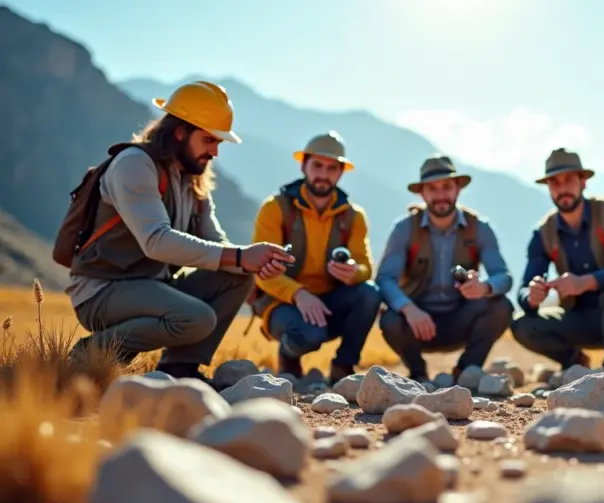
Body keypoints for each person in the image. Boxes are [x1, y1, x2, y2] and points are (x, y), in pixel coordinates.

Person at [62, 80, 294, 382]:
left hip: (152, 285)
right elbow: (156, 241)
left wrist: (251, 261)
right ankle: (89, 355)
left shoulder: (193, 179)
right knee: (196, 318)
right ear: (180, 131)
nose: (215, 153)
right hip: (102, 292)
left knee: (238, 275)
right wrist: (239, 255)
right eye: (209, 140)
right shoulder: (134, 165)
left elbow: (215, 242)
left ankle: (179, 370)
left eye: (218, 143)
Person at [248, 131, 382, 382]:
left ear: (341, 172)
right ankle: (289, 355)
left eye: (332, 168)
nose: (324, 174)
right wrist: (299, 294)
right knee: (309, 336)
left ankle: (344, 367)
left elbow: (366, 267)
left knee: (370, 292)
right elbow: (261, 270)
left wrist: (355, 272)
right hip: (282, 302)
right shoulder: (275, 208)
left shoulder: (354, 216)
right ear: (303, 165)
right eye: (317, 165)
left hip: (330, 302)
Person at [376, 155, 514, 383]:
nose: (440, 195)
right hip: (416, 324)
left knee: (501, 307)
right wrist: (409, 309)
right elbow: (384, 279)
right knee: (390, 319)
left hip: (462, 319)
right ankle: (417, 374)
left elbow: (504, 277)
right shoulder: (403, 229)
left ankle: (467, 372)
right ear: (422, 193)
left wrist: (485, 287)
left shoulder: (479, 228)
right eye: (433, 188)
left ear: (458, 189)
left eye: (446, 187)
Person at [511, 148, 604, 370]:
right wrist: (531, 297)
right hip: (576, 320)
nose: (562, 189)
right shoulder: (542, 233)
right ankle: (576, 364)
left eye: (569, 180)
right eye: (555, 183)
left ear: (583, 181)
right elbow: (524, 289)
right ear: (548, 188)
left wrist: (585, 282)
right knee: (521, 324)